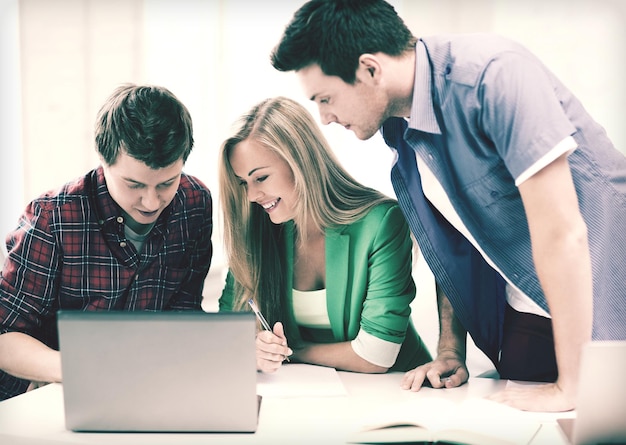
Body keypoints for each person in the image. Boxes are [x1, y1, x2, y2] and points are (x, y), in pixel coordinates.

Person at [270, 0, 626, 412]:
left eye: (326, 98)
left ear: (370, 69)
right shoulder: (400, 135)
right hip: (528, 312)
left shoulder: (493, 76)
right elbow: (452, 245)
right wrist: (450, 350)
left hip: (606, 297)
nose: (325, 117)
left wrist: (574, 382)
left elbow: (563, 232)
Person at [0, 84, 213, 400]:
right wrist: (75, 369)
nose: (151, 202)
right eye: (134, 184)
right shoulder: (53, 217)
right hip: (45, 395)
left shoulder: (194, 204)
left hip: (145, 390)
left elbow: (183, 315)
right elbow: (7, 336)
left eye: (167, 183)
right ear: (103, 159)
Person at [218, 96, 431, 374]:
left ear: (301, 162)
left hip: (397, 390)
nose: (252, 196)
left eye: (261, 178)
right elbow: (225, 336)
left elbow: (377, 354)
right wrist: (255, 348)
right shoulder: (257, 231)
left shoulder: (382, 223)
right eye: (242, 183)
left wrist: (290, 351)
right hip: (304, 394)